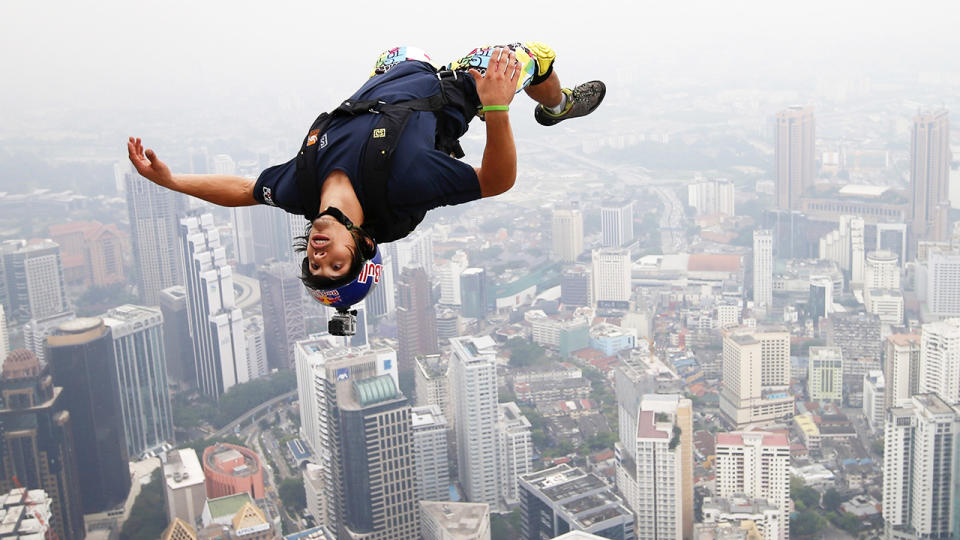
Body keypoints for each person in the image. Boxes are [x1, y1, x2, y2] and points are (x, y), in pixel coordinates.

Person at [128, 42, 605, 296]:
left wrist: (170, 181)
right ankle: (558, 106)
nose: (320, 255)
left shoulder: (302, 190)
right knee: (536, 54)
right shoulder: (402, 186)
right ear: (364, 243)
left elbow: (244, 188)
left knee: (398, 47)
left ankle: (409, 63)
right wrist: (497, 107)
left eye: (315, 263)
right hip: (463, 87)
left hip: (394, 72)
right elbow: (495, 182)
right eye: (336, 263)